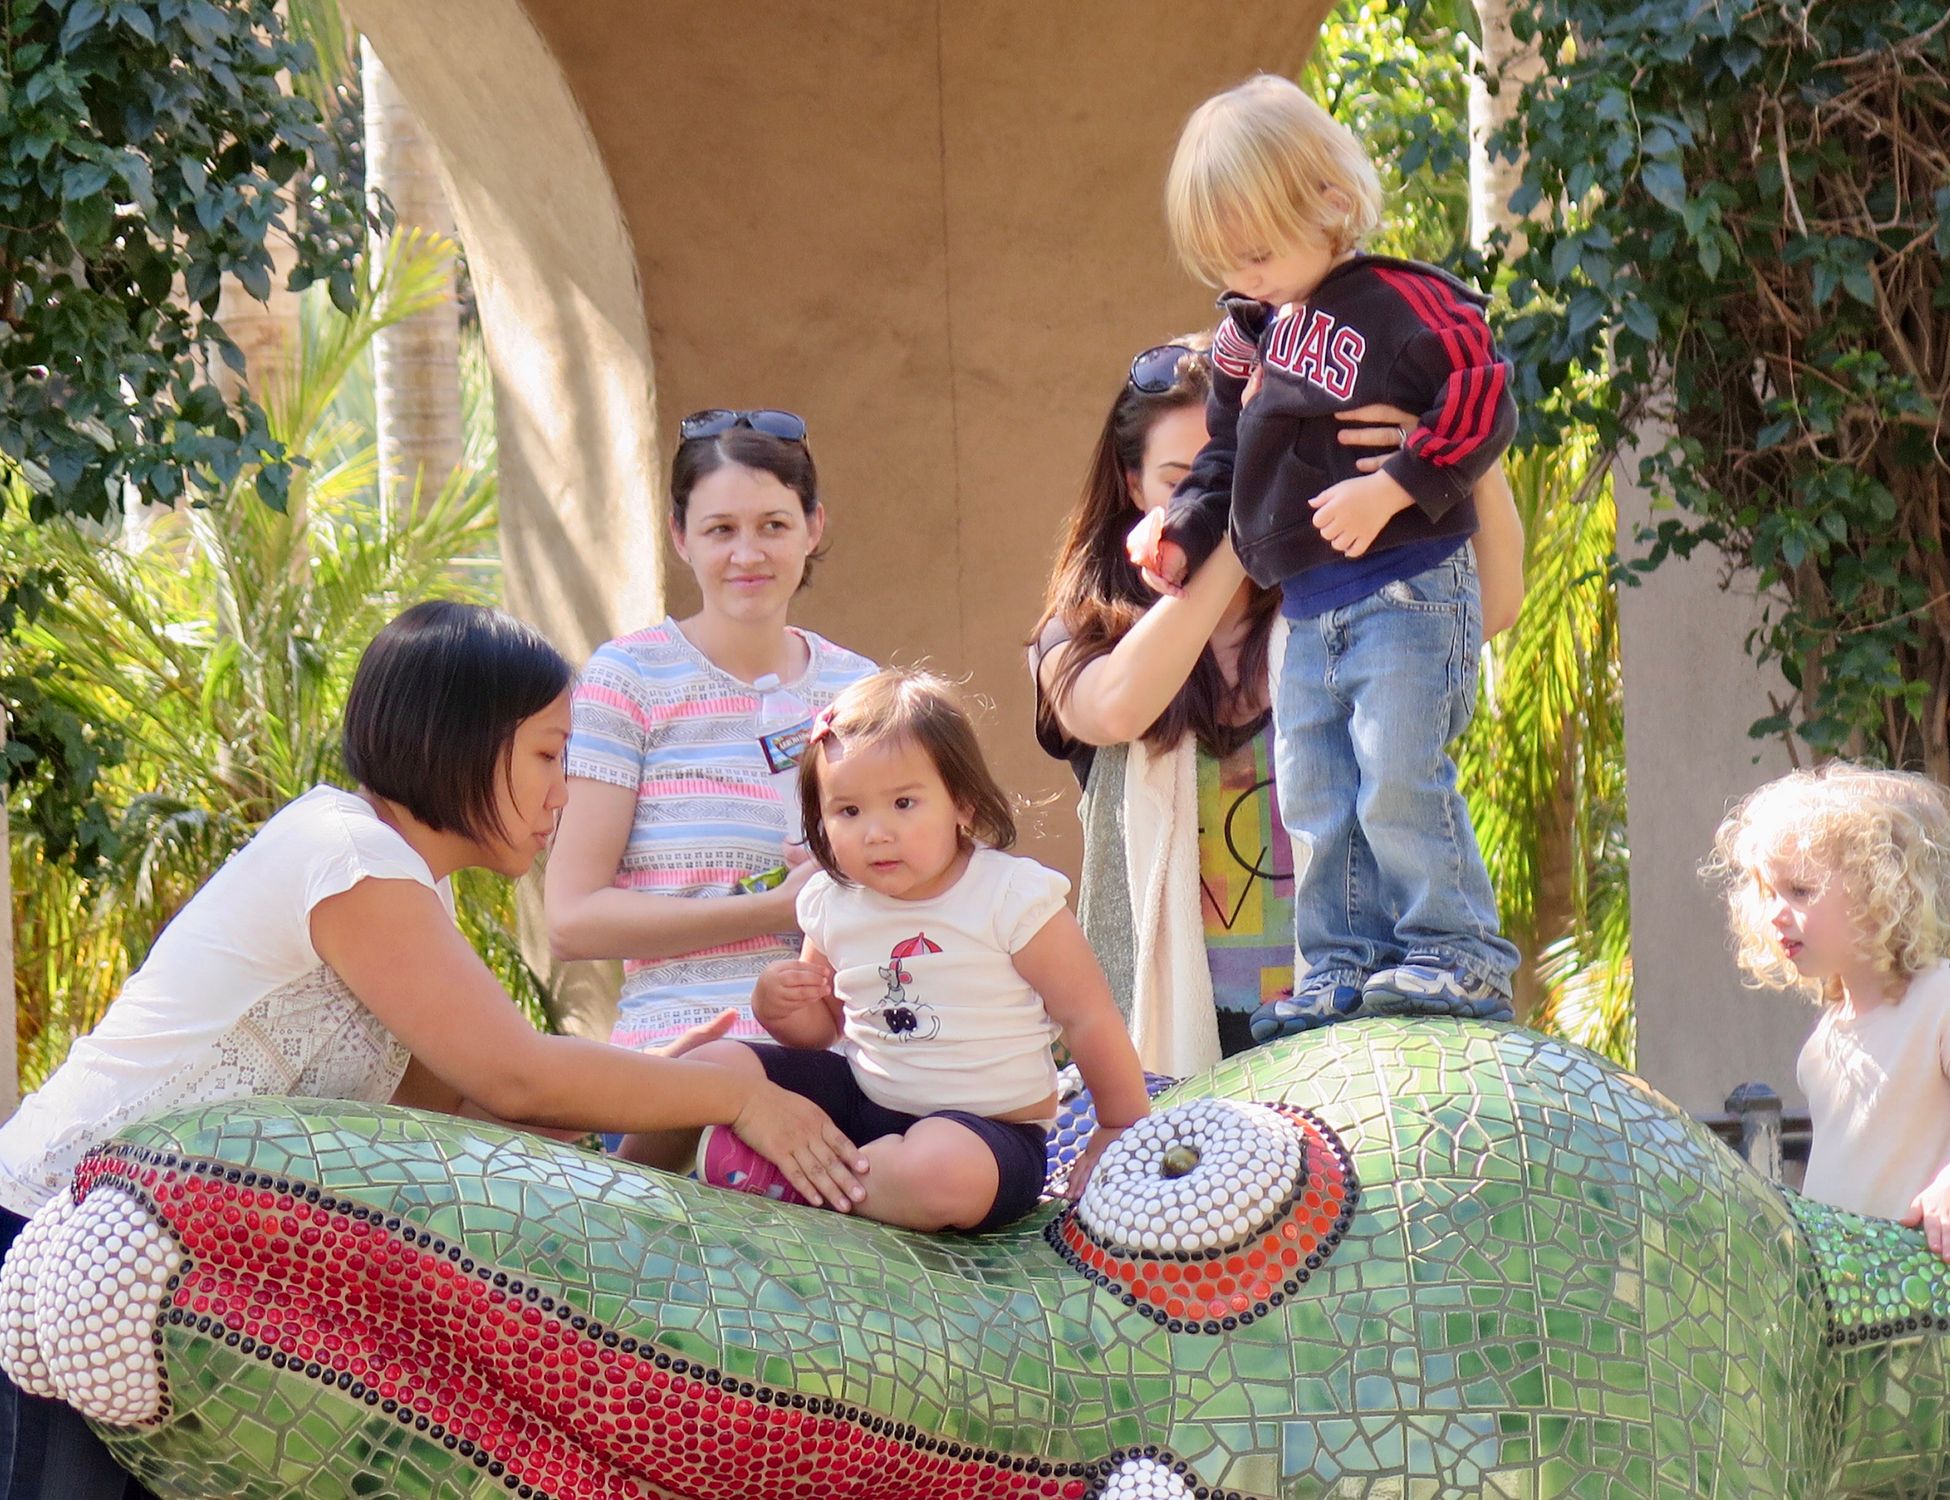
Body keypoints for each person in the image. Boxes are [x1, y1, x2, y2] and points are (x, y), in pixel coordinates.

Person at [0, 601, 868, 1500]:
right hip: (50, 1243)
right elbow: (517, 1076)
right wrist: (735, 1097)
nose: (563, 792)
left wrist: (661, 1088)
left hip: (153, 1275)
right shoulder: (348, 856)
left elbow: (440, 1118)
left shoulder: (406, 881)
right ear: (461, 740)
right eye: (548, 754)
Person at [1127, 74, 1521, 1033]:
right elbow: (1225, 456)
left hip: (1408, 589)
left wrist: (1400, 482)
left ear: (1331, 204)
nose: (1246, 276)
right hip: (1307, 606)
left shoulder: (1403, 300)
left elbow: (1485, 393)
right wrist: (1182, 529)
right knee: (1315, 789)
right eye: (1226, 259)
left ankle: (1457, 953)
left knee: (1398, 771)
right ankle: (1343, 963)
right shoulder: (1246, 336)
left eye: (1259, 251)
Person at [1033, 337, 1523, 1073]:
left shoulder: (1350, 613)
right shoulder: (1079, 632)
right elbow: (1117, 710)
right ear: (1133, 486)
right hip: (1163, 1045)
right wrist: (1242, 516)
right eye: (1181, 480)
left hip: (1347, 1025)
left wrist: (1450, 454)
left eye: (1245, 469)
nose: (1208, 495)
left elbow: (1498, 601)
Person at [631, 669, 1150, 1233]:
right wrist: (776, 1006)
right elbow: (821, 1028)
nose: (875, 833)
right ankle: (628, 1191)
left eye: (903, 803)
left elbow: (1087, 1015)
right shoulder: (832, 902)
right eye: (848, 812)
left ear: (963, 804)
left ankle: (798, 1183)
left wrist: (1120, 1124)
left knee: (942, 1174)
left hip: (986, 1136)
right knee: (710, 1066)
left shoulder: (1010, 897)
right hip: (862, 1104)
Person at [545, 409, 876, 1064]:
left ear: (813, 527)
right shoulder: (629, 679)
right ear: (680, 536)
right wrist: (775, 909)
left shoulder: (860, 690)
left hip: (851, 1060)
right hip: (683, 1058)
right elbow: (571, 921)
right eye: (720, 529)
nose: (747, 555)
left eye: (773, 525)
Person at [1709, 762, 1950, 1264]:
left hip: (1923, 1283)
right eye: (1770, 893)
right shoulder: (1826, 1039)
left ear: (1882, 890)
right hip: (1848, 1286)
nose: (1776, 913)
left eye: (1800, 890)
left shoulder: (1946, 998)